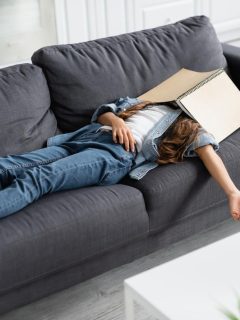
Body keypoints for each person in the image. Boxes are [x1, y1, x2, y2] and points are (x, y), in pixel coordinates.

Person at [0, 97, 239, 220]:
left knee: (39, 177)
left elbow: (209, 154)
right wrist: (116, 121)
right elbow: (104, 112)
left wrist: (232, 192)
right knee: (11, 165)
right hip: (88, 138)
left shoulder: (191, 128)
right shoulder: (148, 101)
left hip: (115, 155)